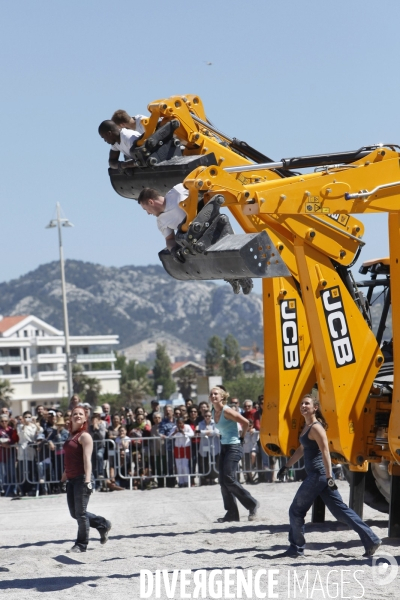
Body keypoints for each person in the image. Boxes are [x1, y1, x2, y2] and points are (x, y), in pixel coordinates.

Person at [277, 394, 382, 558]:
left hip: (318, 475)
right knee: (341, 512)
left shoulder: (316, 427)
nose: (303, 406)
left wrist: (328, 477)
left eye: (307, 403)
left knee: (296, 511)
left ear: (315, 408)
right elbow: (301, 449)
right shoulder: (307, 426)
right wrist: (286, 466)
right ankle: (371, 539)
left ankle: (296, 548)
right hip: (320, 476)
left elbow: (326, 452)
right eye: (302, 404)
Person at [61, 406, 111, 553]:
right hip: (71, 478)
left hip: (82, 478)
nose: (77, 415)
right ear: (70, 418)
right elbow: (70, 458)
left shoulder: (85, 436)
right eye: (74, 413)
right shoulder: (71, 435)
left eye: (80, 414)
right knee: (74, 513)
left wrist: (88, 480)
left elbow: (87, 460)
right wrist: (65, 473)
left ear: (84, 418)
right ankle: (102, 524)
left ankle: (81, 544)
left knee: (81, 513)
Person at [210, 387, 259, 522]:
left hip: (234, 447)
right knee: (223, 481)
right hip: (224, 446)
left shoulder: (227, 411)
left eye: (216, 394)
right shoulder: (213, 410)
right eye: (211, 394)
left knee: (229, 479)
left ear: (222, 397)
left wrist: (242, 438)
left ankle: (252, 504)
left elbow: (245, 422)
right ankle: (232, 513)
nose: (213, 396)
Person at [137, 185, 189, 252]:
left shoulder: (177, 191)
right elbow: (170, 239)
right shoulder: (161, 222)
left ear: (151, 202)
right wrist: (173, 250)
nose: (148, 213)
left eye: (146, 209)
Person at [169, 417, 194, 487]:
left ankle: (186, 481)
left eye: (181, 423)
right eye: (178, 423)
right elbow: (169, 436)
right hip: (178, 448)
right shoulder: (174, 428)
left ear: (183, 422)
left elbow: (192, 434)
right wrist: (175, 432)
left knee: (185, 466)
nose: (179, 425)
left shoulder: (187, 427)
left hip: (186, 447)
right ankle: (181, 482)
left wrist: (184, 433)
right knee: (179, 466)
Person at [198, 410, 220, 485]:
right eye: (206, 416)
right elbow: (199, 432)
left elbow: (216, 432)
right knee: (206, 462)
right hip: (204, 446)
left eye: (209, 416)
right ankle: (206, 479)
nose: (207, 417)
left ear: (211, 416)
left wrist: (205, 432)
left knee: (214, 462)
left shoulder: (215, 422)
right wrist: (209, 432)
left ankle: (213, 478)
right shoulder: (200, 423)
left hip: (214, 446)